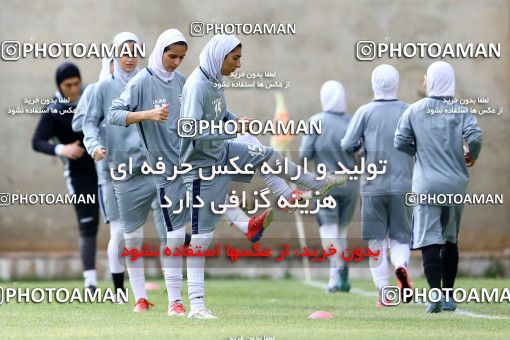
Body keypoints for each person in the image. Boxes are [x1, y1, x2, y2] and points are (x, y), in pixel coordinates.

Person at [109, 29, 278, 317]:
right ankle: (176, 302)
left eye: (181, 57)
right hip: (166, 170)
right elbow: (115, 113)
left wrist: (236, 121)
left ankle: (249, 223)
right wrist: (148, 114)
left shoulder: (183, 81)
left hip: (193, 161)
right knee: (176, 237)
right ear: (159, 51)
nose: (175, 62)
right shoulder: (141, 82)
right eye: (171, 56)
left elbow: (214, 112)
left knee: (210, 202)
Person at [179, 34, 348, 318]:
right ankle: (196, 306)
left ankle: (309, 185)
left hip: (220, 152)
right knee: (201, 239)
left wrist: (234, 123)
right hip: (200, 168)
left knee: (264, 152)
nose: (239, 65)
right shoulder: (197, 84)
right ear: (220, 57)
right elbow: (190, 131)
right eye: (236, 58)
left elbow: (221, 114)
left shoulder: (213, 79)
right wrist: (231, 130)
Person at [85, 32, 168, 311]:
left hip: (148, 167)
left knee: (158, 227)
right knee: (122, 233)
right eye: (125, 51)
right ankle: (129, 292)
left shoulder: (146, 82)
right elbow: (88, 124)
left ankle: (149, 296)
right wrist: (95, 146)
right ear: (115, 54)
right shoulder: (101, 88)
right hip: (114, 171)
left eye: (135, 51)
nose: (130, 57)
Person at [394, 61, 482, 313]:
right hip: (455, 184)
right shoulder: (460, 110)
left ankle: (433, 295)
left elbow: (400, 141)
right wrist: (469, 155)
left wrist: (418, 150)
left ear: (430, 81)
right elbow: (475, 137)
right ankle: (448, 296)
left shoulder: (414, 110)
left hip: (426, 185)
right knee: (450, 238)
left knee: (428, 239)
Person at [342, 64, 414, 307]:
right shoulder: (408, 110)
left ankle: (384, 293)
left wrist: (361, 149)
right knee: (400, 236)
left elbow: (347, 143)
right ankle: (401, 266)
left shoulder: (365, 111)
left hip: (373, 186)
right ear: (397, 82)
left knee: (375, 239)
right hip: (404, 183)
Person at [32, 62, 100, 291]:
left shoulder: (91, 95)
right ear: (59, 86)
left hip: (104, 166)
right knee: (88, 223)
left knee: (123, 218)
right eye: (68, 85)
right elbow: (37, 141)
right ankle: (90, 282)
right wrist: (63, 150)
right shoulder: (54, 110)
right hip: (78, 172)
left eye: (76, 84)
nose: (73, 89)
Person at [299, 80, 359, 293]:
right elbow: (360, 151)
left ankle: (338, 269)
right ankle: (336, 279)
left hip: (325, 185)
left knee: (328, 232)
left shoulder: (315, 122)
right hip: (350, 184)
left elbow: (304, 155)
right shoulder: (352, 122)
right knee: (341, 232)